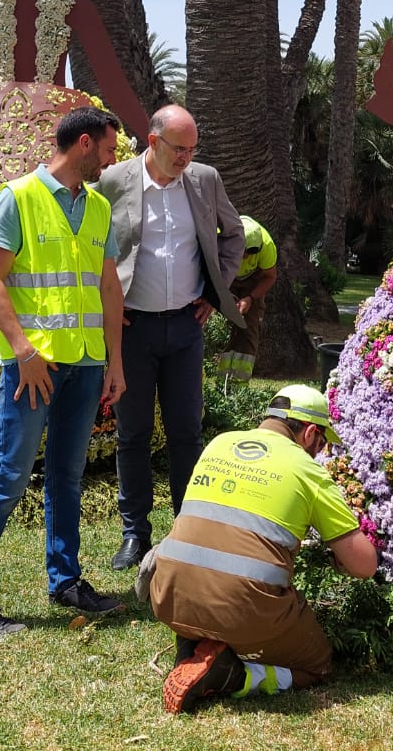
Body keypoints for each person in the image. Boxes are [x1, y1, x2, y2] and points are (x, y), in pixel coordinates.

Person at [0, 107, 129, 638]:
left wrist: (114, 361)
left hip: (86, 364)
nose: (114, 160)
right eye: (111, 150)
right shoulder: (18, 197)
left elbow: (109, 289)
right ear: (87, 144)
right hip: (33, 367)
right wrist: (23, 351)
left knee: (67, 478)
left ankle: (66, 581)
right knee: (9, 477)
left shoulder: (97, 207)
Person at [143, 384, 378, 713]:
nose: (319, 451)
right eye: (322, 443)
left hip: (168, 597)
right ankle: (232, 675)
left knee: (213, 593)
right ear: (310, 433)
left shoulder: (219, 443)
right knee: (317, 665)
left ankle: (194, 639)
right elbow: (364, 564)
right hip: (242, 611)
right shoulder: (307, 469)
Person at [96, 104, 245, 571]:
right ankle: (134, 535)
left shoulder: (204, 180)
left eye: (192, 148)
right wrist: (104, 304)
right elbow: (92, 244)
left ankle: (186, 530)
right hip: (132, 328)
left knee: (186, 432)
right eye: (179, 149)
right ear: (153, 141)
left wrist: (213, 291)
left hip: (185, 326)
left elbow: (233, 234)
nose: (186, 157)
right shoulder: (115, 180)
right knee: (133, 434)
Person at [216, 216, 278, 385]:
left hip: (253, 284)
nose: (245, 258)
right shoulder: (219, 237)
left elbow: (270, 277)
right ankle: (220, 379)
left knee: (249, 330)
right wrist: (222, 294)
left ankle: (240, 384)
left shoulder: (267, 247)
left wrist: (250, 299)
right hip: (224, 279)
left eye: (251, 254)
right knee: (222, 328)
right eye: (243, 253)